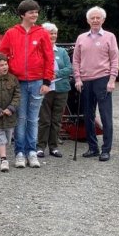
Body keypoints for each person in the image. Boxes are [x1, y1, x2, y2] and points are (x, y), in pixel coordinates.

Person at [0, 0, 53, 169]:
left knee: (33, 118)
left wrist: (47, 81)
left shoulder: (42, 33)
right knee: (20, 118)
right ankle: (20, 152)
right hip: (18, 82)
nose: (35, 15)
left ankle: (32, 152)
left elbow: (48, 57)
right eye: (31, 12)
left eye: (36, 11)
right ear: (23, 14)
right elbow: (0, 54)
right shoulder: (12, 33)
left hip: (37, 81)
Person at [72, 6, 119, 162]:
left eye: (98, 17)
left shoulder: (110, 37)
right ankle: (93, 147)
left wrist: (112, 79)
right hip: (85, 81)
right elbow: (76, 60)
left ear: (103, 20)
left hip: (103, 79)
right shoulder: (81, 38)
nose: (95, 20)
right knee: (88, 116)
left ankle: (106, 149)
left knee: (105, 116)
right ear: (87, 20)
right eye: (92, 18)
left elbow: (114, 59)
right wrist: (77, 78)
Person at [37, 22, 72, 159]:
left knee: (57, 119)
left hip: (61, 88)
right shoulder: (39, 50)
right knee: (44, 119)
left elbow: (69, 68)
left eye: (55, 33)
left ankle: (54, 146)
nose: (53, 35)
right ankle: (40, 147)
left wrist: (56, 74)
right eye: (50, 33)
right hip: (45, 88)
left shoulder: (62, 51)